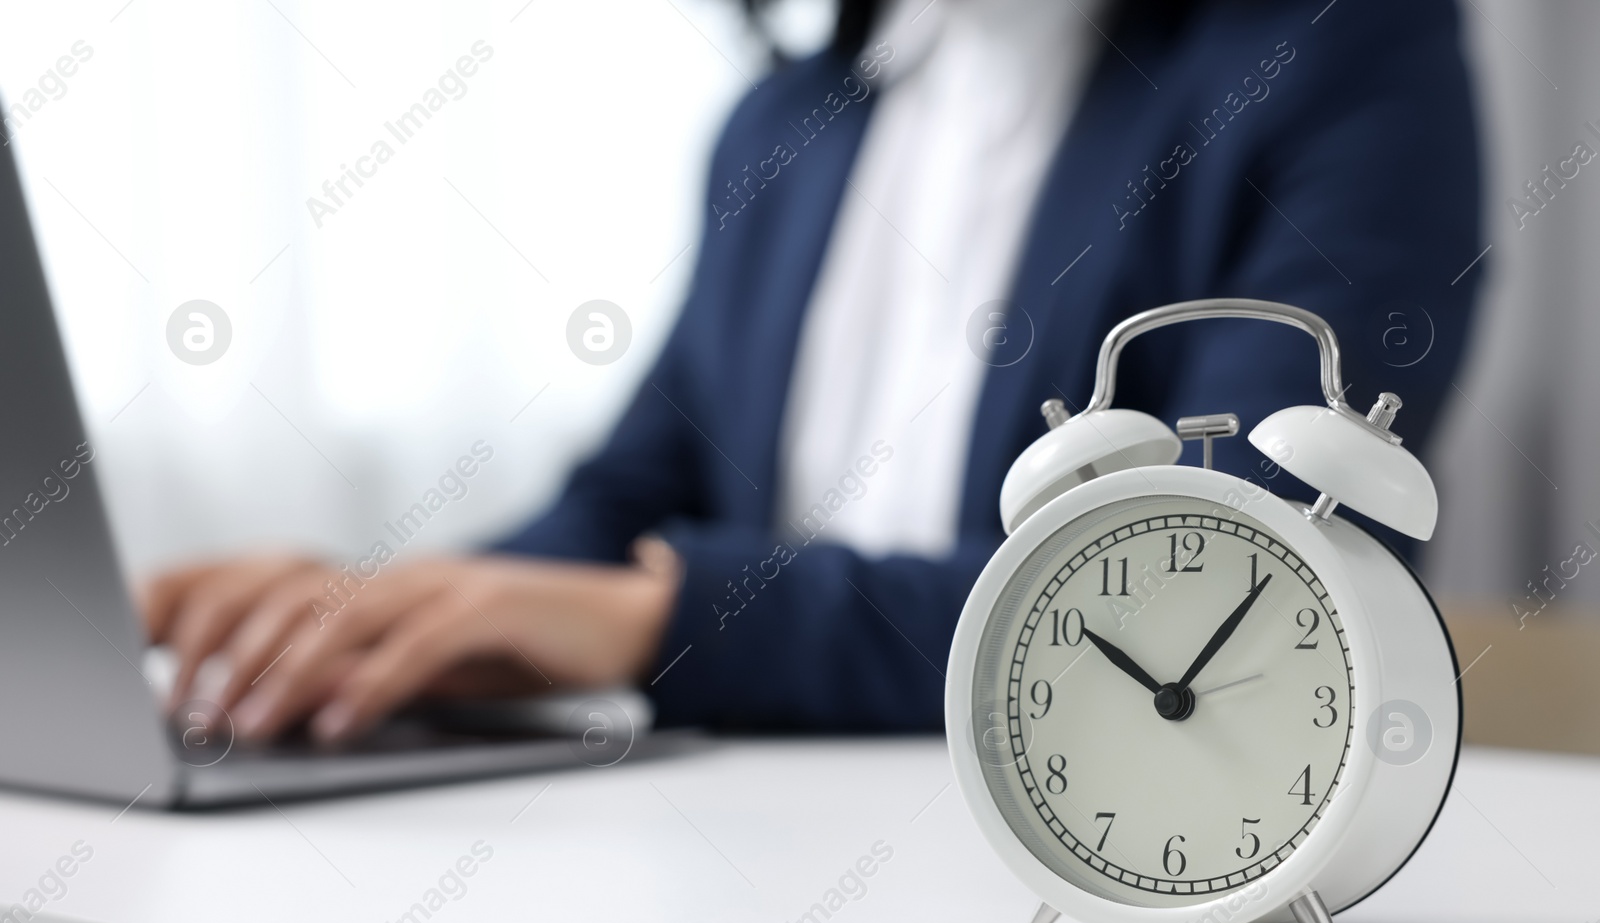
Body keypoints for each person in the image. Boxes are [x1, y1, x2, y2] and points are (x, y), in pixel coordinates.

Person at [144, 0, 1481, 743]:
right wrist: (388, 617)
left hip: (1146, 859)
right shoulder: (784, 123)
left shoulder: (1341, 55)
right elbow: (626, 500)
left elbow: (1221, 583)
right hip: (745, 851)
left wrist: (663, 626)